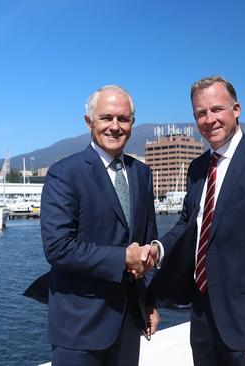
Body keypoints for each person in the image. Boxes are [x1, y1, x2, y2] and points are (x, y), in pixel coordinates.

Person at [150, 76, 245, 365]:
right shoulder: (196, 168)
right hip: (202, 312)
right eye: (201, 113)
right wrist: (159, 249)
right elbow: (187, 224)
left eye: (217, 109)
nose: (209, 119)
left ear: (237, 109)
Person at [41, 85, 160, 366]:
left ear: (132, 123)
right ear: (89, 122)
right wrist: (122, 258)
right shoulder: (64, 174)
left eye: (124, 119)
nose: (115, 127)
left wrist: (150, 302)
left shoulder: (142, 174)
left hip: (130, 323)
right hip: (79, 327)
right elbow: (58, 248)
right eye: (106, 118)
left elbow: (148, 239)